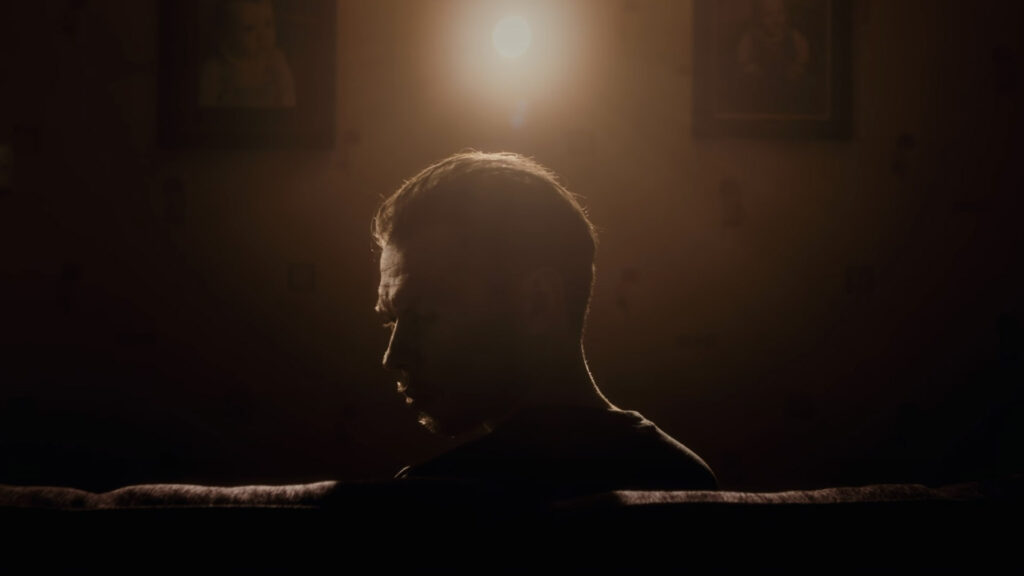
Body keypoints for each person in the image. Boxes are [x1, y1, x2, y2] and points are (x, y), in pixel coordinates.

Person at [372, 151, 717, 497]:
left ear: (538, 301)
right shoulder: (686, 480)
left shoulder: (439, 501)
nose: (394, 355)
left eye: (428, 315)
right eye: (391, 321)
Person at [199, 0, 295, 109]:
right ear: (228, 35)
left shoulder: (276, 60)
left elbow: (287, 94)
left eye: (268, 24)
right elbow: (206, 103)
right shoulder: (217, 68)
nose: (262, 36)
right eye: (249, 28)